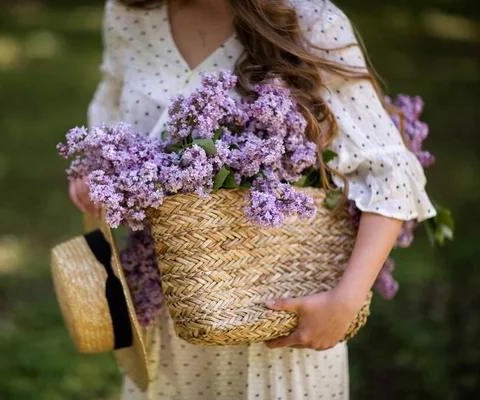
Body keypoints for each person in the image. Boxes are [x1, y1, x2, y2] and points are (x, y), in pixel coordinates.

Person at [69, 0, 437, 398]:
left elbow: (391, 173)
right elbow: (110, 102)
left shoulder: (312, 22)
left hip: (277, 319)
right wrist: (98, 173)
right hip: (171, 311)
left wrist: (346, 302)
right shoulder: (129, 13)